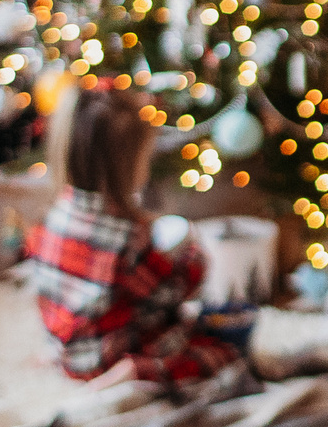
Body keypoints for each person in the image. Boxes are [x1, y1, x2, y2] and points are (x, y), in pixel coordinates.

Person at [23, 81, 251, 387]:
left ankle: (61, 356)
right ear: (131, 166)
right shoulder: (128, 238)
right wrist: (193, 259)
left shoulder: (55, 216)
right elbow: (170, 291)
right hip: (106, 356)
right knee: (223, 353)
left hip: (67, 348)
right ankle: (134, 373)